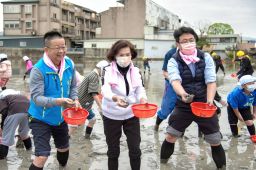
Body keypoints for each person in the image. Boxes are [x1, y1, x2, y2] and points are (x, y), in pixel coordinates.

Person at [160, 27, 226, 169]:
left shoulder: (205, 57)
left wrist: (210, 100)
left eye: (191, 40)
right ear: (178, 44)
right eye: (184, 41)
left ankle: (222, 167)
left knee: (215, 140)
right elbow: (175, 80)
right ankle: (163, 165)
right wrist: (183, 94)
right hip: (184, 105)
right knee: (171, 136)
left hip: (204, 105)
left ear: (195, 41)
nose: (189, 43)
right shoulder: (173, 61)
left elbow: (211, 80)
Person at [28, 31, 81, 170]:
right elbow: (36, 98)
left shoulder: (69, 63)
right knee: (42, 156)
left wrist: (75, 98)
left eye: (64, 46)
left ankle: (62, 167)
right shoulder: (38, 70)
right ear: (46, 50)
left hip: (60, 117)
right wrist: (58, 101)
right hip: (40, 117)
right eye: (57, 48)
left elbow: (73, 85)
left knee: (63, 149)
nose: (62, 51)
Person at [101, 40, 147, 170]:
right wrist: (115, 98)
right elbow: (105, 89)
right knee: (113, 151)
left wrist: (143, 99)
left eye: (127, 54)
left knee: (135, 149)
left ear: (132, 54)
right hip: (111, 115)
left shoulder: (136, 70)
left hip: (131, 114)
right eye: (121, 55)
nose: (125, 57)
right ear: (114, 55)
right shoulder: (107, 70)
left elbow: (139, 89)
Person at [72, 60, 109, 139]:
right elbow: (94, 93)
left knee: (79, 122)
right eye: (105, 71)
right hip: (84, 103)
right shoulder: (94, 76)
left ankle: (77, 138)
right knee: (91, 120)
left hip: (82, 101)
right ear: (102, 69)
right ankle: (85, 138)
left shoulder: (92, 74)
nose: (106, 73)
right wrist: (100, 106)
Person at [0, 93, 32, 159]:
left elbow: (4, 113)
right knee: (24, 134)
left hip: (15, 109)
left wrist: (2, 128)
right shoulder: (10, 96)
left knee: (6, 137)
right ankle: (29, 151)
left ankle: (2, 159)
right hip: (29, 110)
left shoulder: (2, 100)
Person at [227, 75, 256, 142]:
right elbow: (235, 107)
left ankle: (253, 135)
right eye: (250, 83)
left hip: (245, 106)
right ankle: (235, 135)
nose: (253, 84)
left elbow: (255, 103)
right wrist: (239, 117)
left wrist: (254, 113)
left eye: (253, 82)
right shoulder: (235, 94)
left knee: (249, 122)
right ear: (243, 85)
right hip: (233, 106)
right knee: (233, 121)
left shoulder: (254, 91)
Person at [154, 48, 177, 131]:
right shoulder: (171, 53)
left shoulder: (197, 54)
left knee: (185, 111)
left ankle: (180, 134)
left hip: (188, 86)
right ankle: (156, 126)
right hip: (171, 84)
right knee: (166, 108)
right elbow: (165, 72)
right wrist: (176, 81)